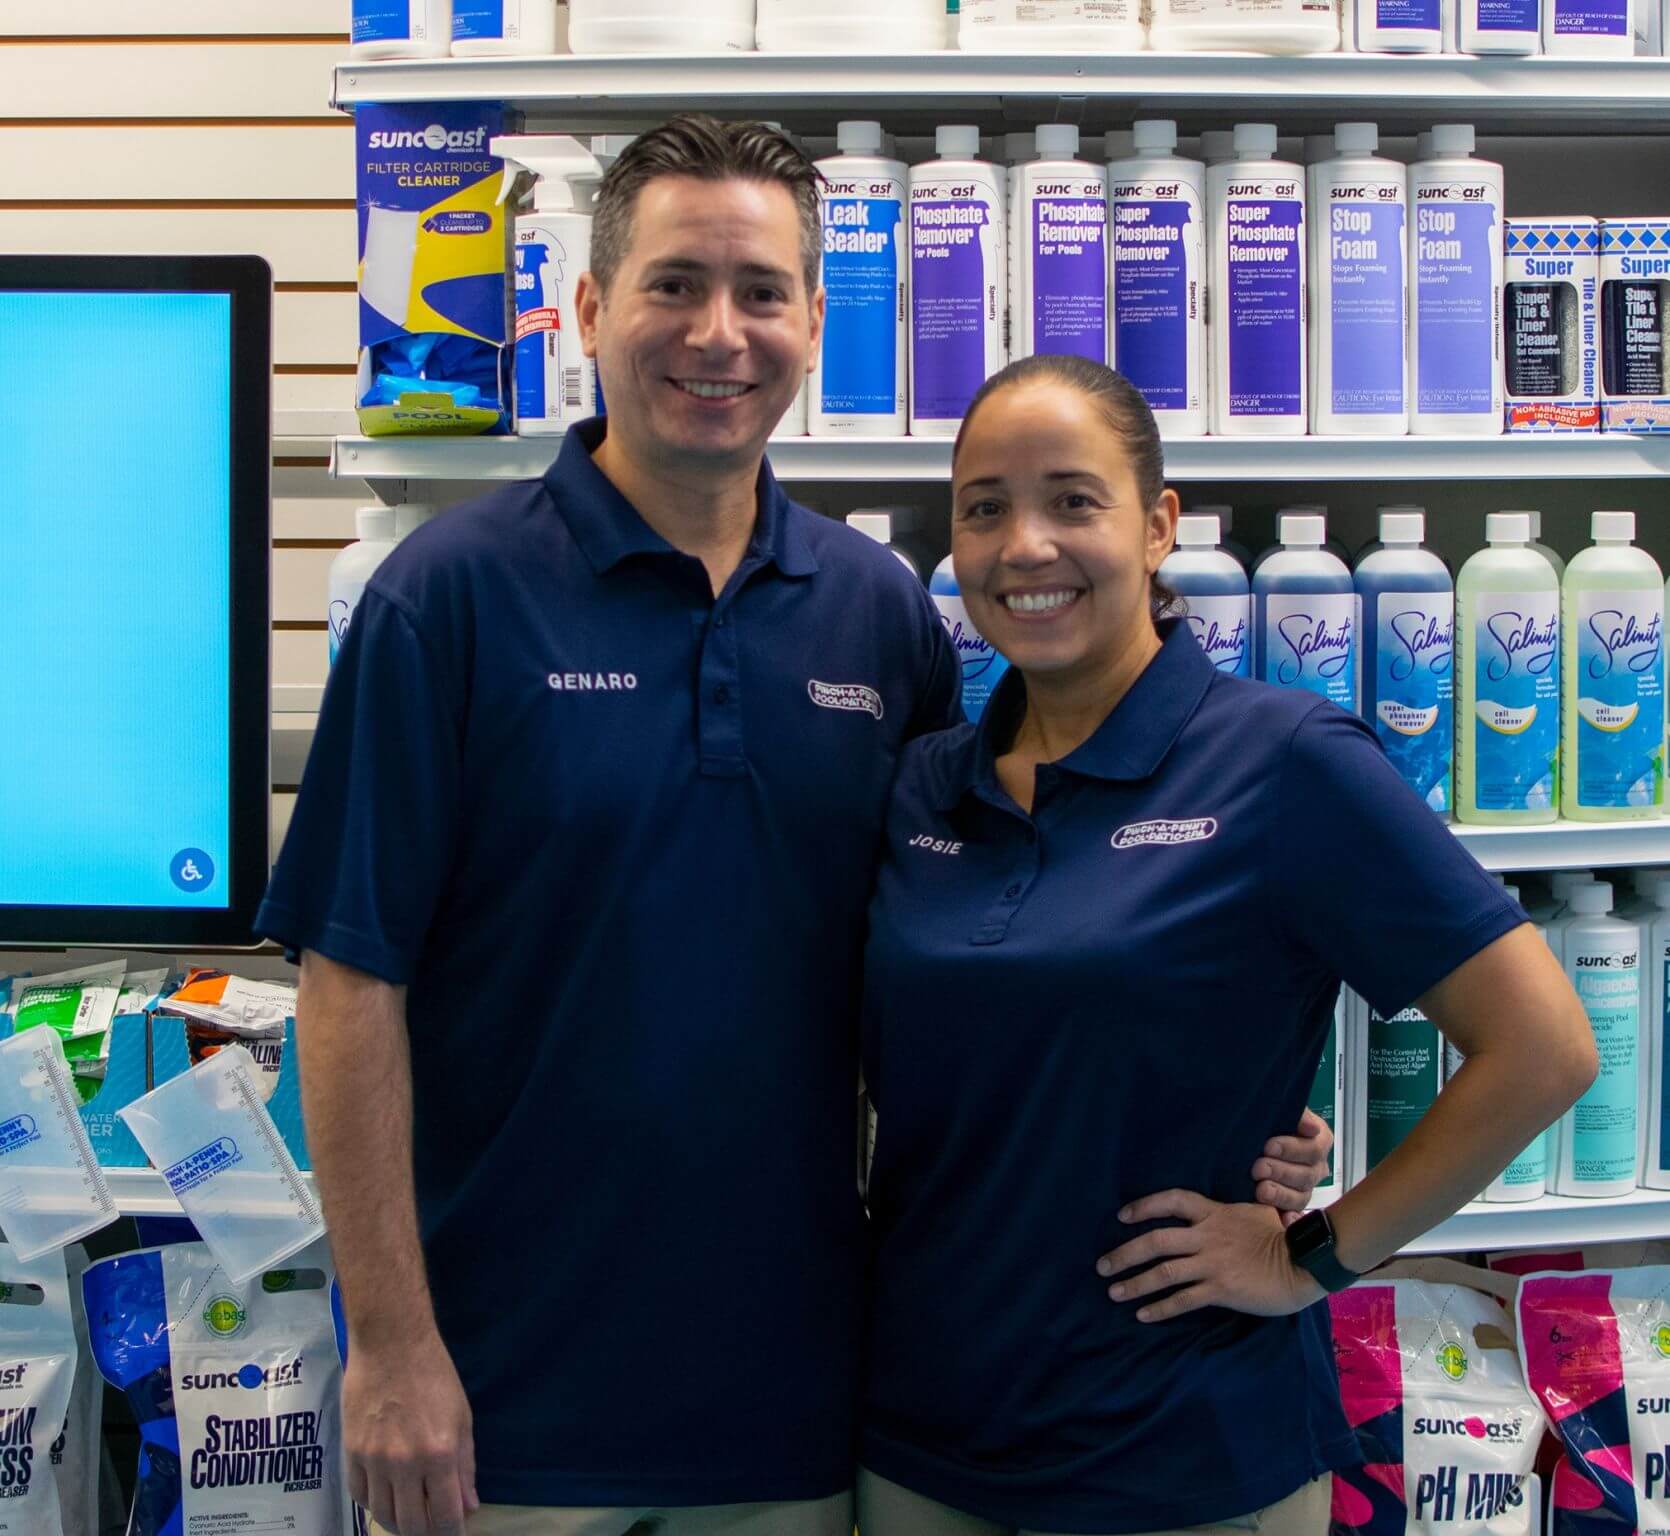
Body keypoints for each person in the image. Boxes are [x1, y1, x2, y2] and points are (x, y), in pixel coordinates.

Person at [257, 121, 1331, 1536]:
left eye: (761, 291)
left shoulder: (876, 613)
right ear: (587, 310)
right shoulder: (444, 602)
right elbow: (347, 985)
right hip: (506, 1394)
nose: (719, 332)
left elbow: (1003, 939)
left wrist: (1218, 1111)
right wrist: (392, 1348)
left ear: (816, 321)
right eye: (672, 285)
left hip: (803, 1396)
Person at [855, 355, 1598, 1536]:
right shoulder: (922, 784)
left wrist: (1308, 1255)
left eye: (1072, 501)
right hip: (919, 1444)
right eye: (984, 507)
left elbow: (1542, 1049)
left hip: (1181, 1453)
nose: (1024, 545)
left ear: (1157, 527)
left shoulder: (1281, 761)